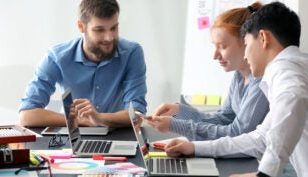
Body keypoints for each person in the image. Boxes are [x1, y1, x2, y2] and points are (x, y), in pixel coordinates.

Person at [165, 2, 308, 177]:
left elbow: (294, 95)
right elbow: (261, 138)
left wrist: (263, 175)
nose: (246, 55)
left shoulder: (285, 73)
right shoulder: (293, 68)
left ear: (263, 38)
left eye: (247, 44)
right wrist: (196, 147)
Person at [147, 2, 269, 141]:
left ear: (246, 42)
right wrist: (179, 110)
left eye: (223, 47)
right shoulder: (239, 76)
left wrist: (176, 126)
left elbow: (238, 132)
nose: (215, 56)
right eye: (215, 46)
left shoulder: (261, 81)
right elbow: (224, 118)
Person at [19, 0, 147, 127]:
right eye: (99, 30)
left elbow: (137, 114)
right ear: (81, 27)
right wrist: (81, 121)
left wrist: (99, 118)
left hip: (118, 135)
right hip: (75, 135)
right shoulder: (56, 57)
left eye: (114, 28)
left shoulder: (131, 53)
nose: (109, 37)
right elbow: (27, 115)